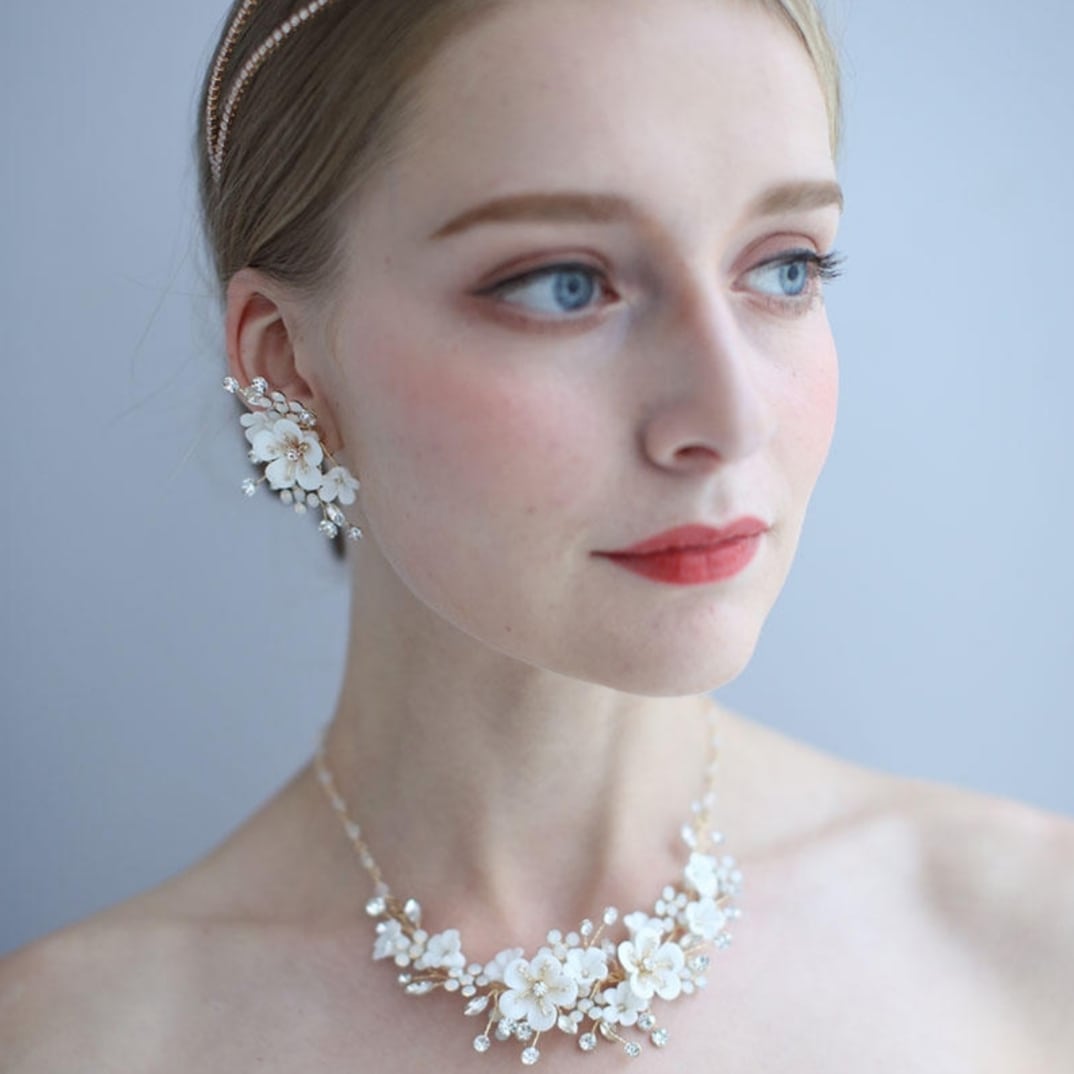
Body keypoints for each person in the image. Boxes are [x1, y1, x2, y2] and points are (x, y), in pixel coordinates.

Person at [2, 0, 1071, 1069]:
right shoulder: (72, 1041)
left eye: (785, 267)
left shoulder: (1031, 938)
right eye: (565, 286)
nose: (730, 417)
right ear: (289, 366)